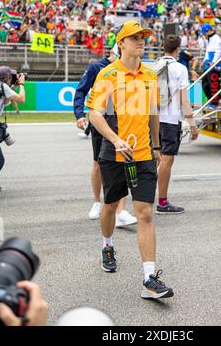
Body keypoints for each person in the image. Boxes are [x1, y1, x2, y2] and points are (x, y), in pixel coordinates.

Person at [86, 20, 174, 300]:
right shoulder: (108, 75)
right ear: (121, 43)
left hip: (144, 153)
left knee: (145, 213)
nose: (141, 41)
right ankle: (107, 244)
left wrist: (157, 144)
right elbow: (95, 114)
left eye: (143, 37)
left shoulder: (150, 75)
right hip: (113, 154)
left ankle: (150, 278)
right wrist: (114, 139)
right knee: (110, 207)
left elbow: (153, 114)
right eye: (134, 38)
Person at [73, 50, 137, 227]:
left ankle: (121, 211)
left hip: (122, 122)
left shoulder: (128, 67)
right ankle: (96, 202)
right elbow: (81, 91)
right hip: (101, 121)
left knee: (123, 162)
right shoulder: (96, 67)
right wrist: (79, 114)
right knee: (98, 163)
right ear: (114, 52)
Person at [157, 35, 198, 214]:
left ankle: (143, 196)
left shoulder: (154, 65)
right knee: (167, 160)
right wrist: (192, 123)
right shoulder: (180, 68)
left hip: (153, 118)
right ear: (178, 49)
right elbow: (183, 98)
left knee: (153, 158)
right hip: (170, 118)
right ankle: (163, 202)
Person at [0, 66, 25, 179]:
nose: (12, 79)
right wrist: (22, 85)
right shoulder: (3, 86)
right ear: (6, 78)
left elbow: (5, 100)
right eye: (10, 77)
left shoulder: (1, 87)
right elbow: (21, 99)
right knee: (0, 160)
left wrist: (13, 86)